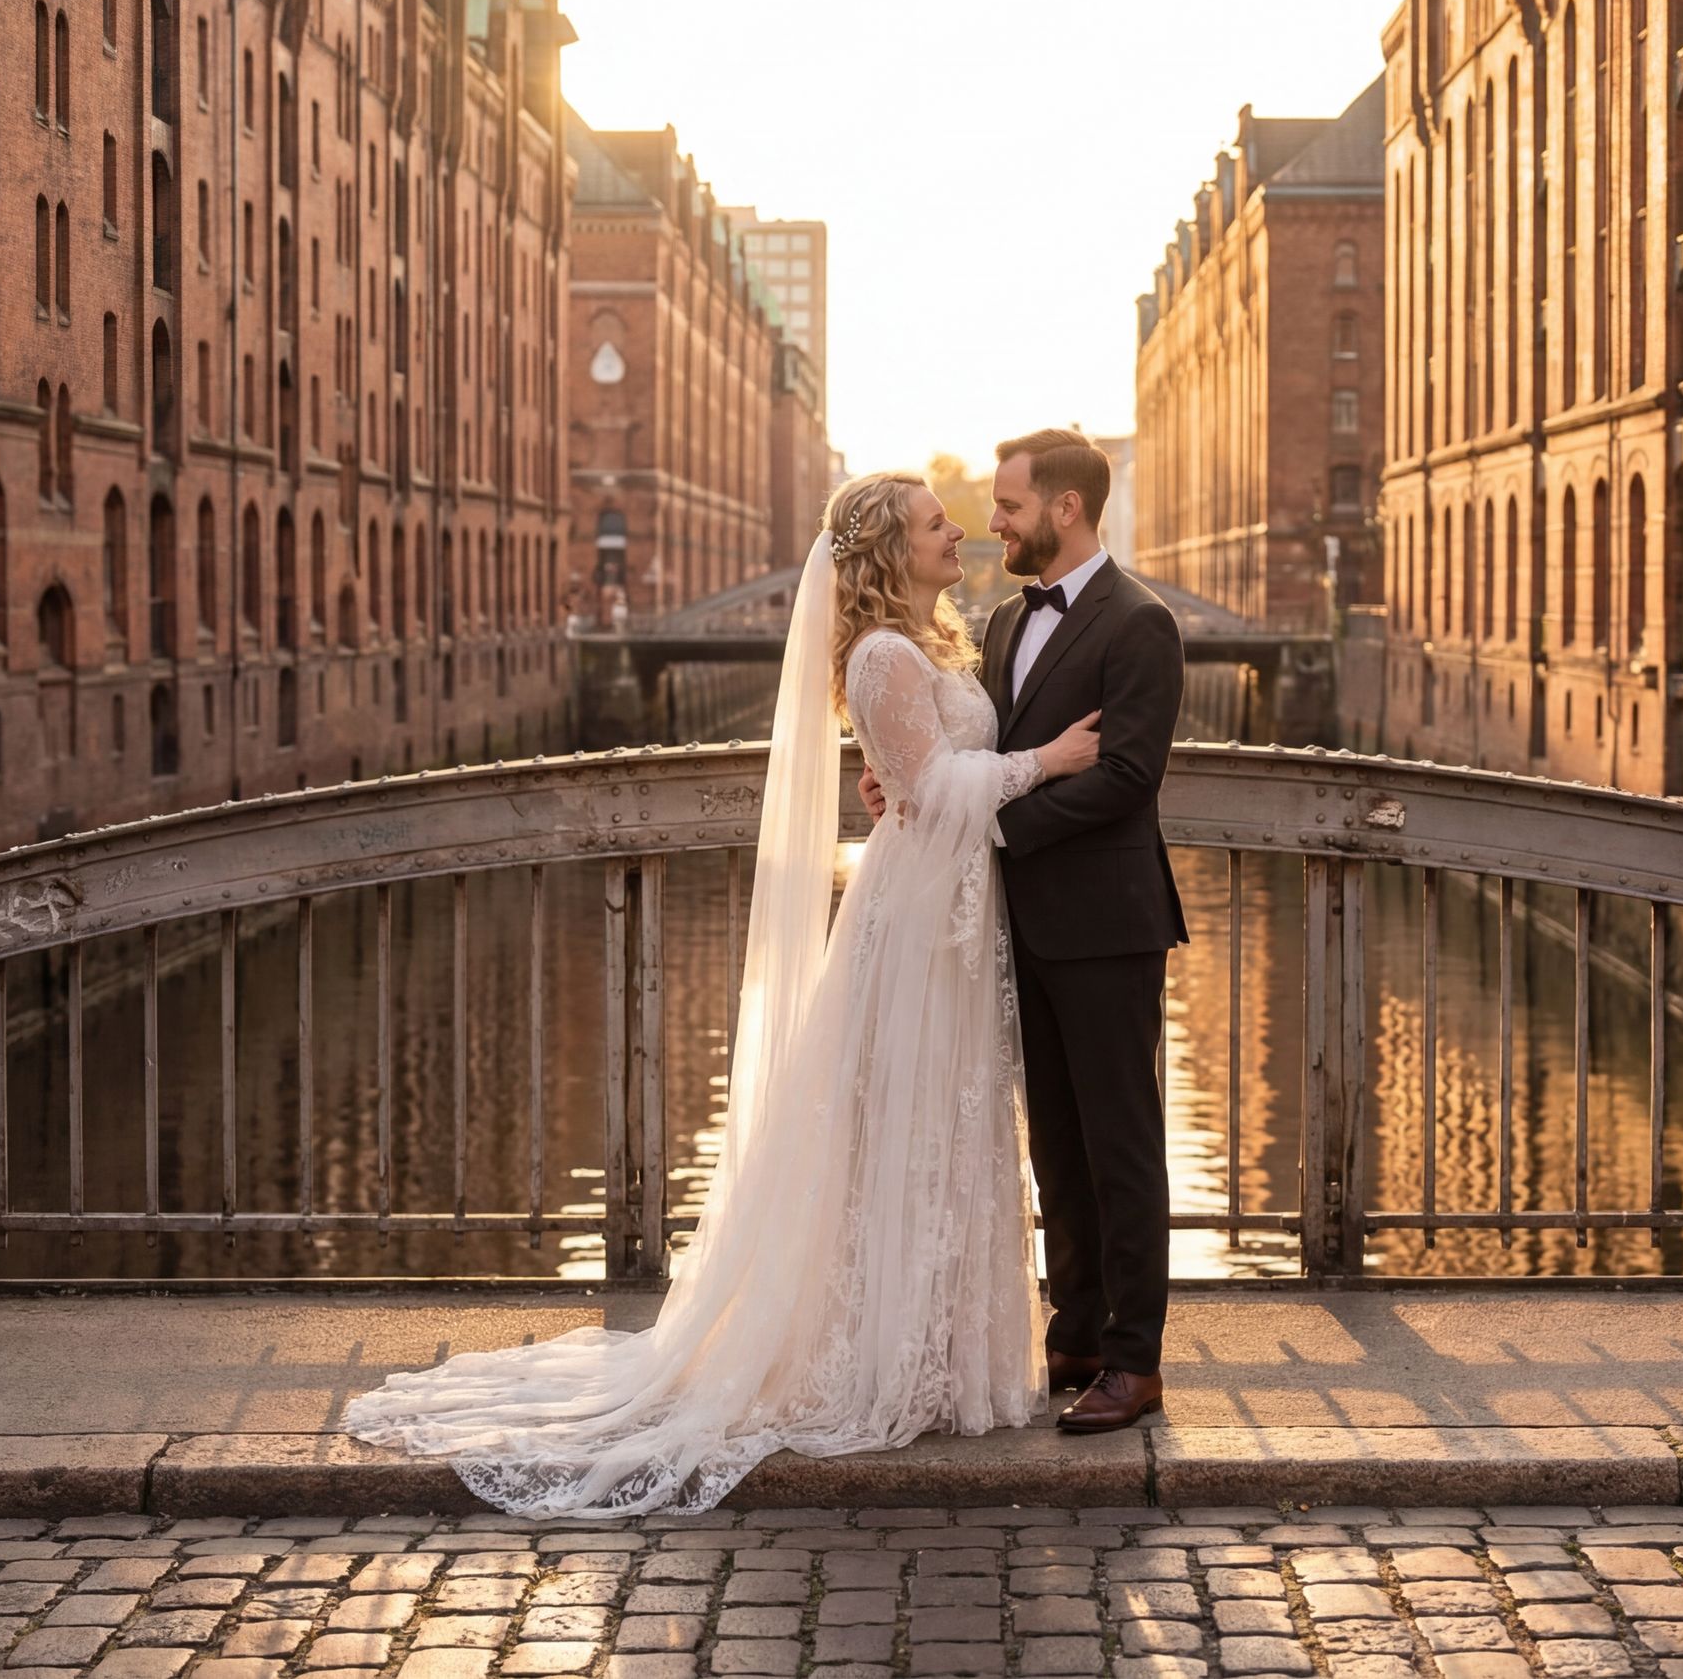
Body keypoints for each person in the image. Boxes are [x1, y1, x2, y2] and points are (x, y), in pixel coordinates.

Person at [344, 469, 1104, 1516]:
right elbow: (934, 789)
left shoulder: (928, 645)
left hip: (952, 915)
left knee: (942, 1123)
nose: (958, 531)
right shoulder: (883, 653)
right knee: (901, 1121)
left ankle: (934, 1352)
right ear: (892, 549)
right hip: (915, 922)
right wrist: (1049, 761)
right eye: (937, 524)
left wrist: (915, 773)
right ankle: (884, 1359)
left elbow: (920, 769)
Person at [868, 427, 1187, 1434]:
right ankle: (1076, 1334)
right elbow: (980, 749)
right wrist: (906, 780)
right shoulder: (1006, 619)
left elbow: (1127, 776)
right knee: (1056, 1144)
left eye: (1008, 506)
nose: (992, 522)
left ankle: (1135, 1361)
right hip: (1019, 927)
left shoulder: (1141, 623)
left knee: (1121, 1144)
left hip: (1107, 923)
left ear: (1065, 508)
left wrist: (996, 826)